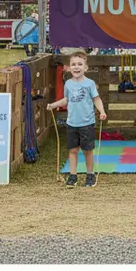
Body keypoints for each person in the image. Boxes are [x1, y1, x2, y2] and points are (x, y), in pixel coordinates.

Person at [48, 50, 107, 188]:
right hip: (72, 123)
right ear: (69, 67)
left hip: (87, 123)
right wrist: (53, 105)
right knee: (73, 150)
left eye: (80, 64)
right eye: (73, 64)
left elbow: (96, 99)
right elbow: (66, 100)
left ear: (85, 68)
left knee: (88, 150)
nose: (76, 67)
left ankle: (90, 174)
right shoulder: (68, 84)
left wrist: (102, 111)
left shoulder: (90, 84)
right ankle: (73, 175)